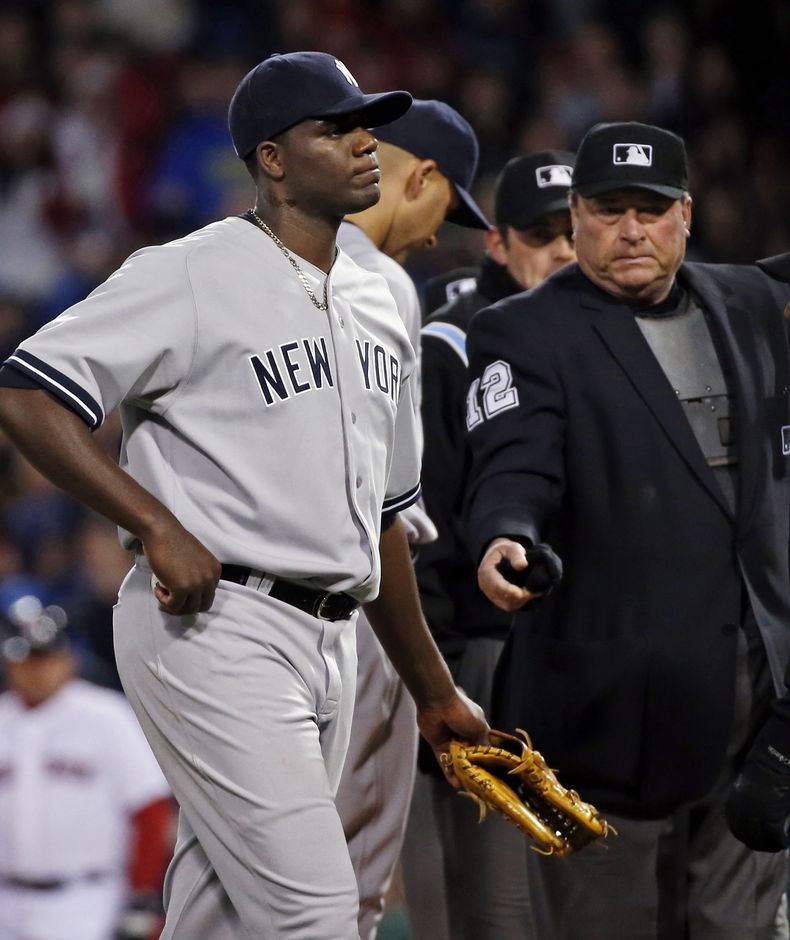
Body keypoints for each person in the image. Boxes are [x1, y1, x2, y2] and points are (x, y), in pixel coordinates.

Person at [0, 51, 488, 940]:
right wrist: (150, 520)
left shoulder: (384, 296)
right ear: (272, 158)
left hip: (334, 638)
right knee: (313, 914)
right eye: (334, 128)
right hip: (217, 623)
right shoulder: (192, 269)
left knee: (222, 915)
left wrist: (432, 690)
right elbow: (28, 394)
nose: (362, 143)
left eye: (365, 125)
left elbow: (384, 518)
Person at [464, 120, 790, 940]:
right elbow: (513, 460)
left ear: (688, 214)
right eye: (610, 210)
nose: (631, 231)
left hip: (749, 701)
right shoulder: (523, 331)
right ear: (576, 218)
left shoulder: (745, 300)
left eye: (650, 209)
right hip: (601, 717)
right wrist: (506, 535)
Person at [400, 149, 576, 940]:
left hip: (589, 649)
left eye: (576, 229)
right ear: (498, 243)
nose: (564, 249)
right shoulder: (455, 342)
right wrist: (430, 673)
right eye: (541, 234)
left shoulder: (608, 328)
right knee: (497, 912)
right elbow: (424, 522)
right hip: (489, 652)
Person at [333, 97, 490, 940]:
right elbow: (389, 510)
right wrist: (432, 684)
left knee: (231, 878)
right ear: (419, 174)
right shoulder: (380, 282)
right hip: (349, 612)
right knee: (343, 885)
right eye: (444, 206)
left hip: (223, 616)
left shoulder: (235, 258)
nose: (438, 236)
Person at [0, 576, 173, 940]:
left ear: (68, 658)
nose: (35, 669)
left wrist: (141, 896)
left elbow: (151, 812)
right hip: (7, 903)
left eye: (45, 658)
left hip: (86, 903)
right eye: (26, 659)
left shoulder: (105, 716)